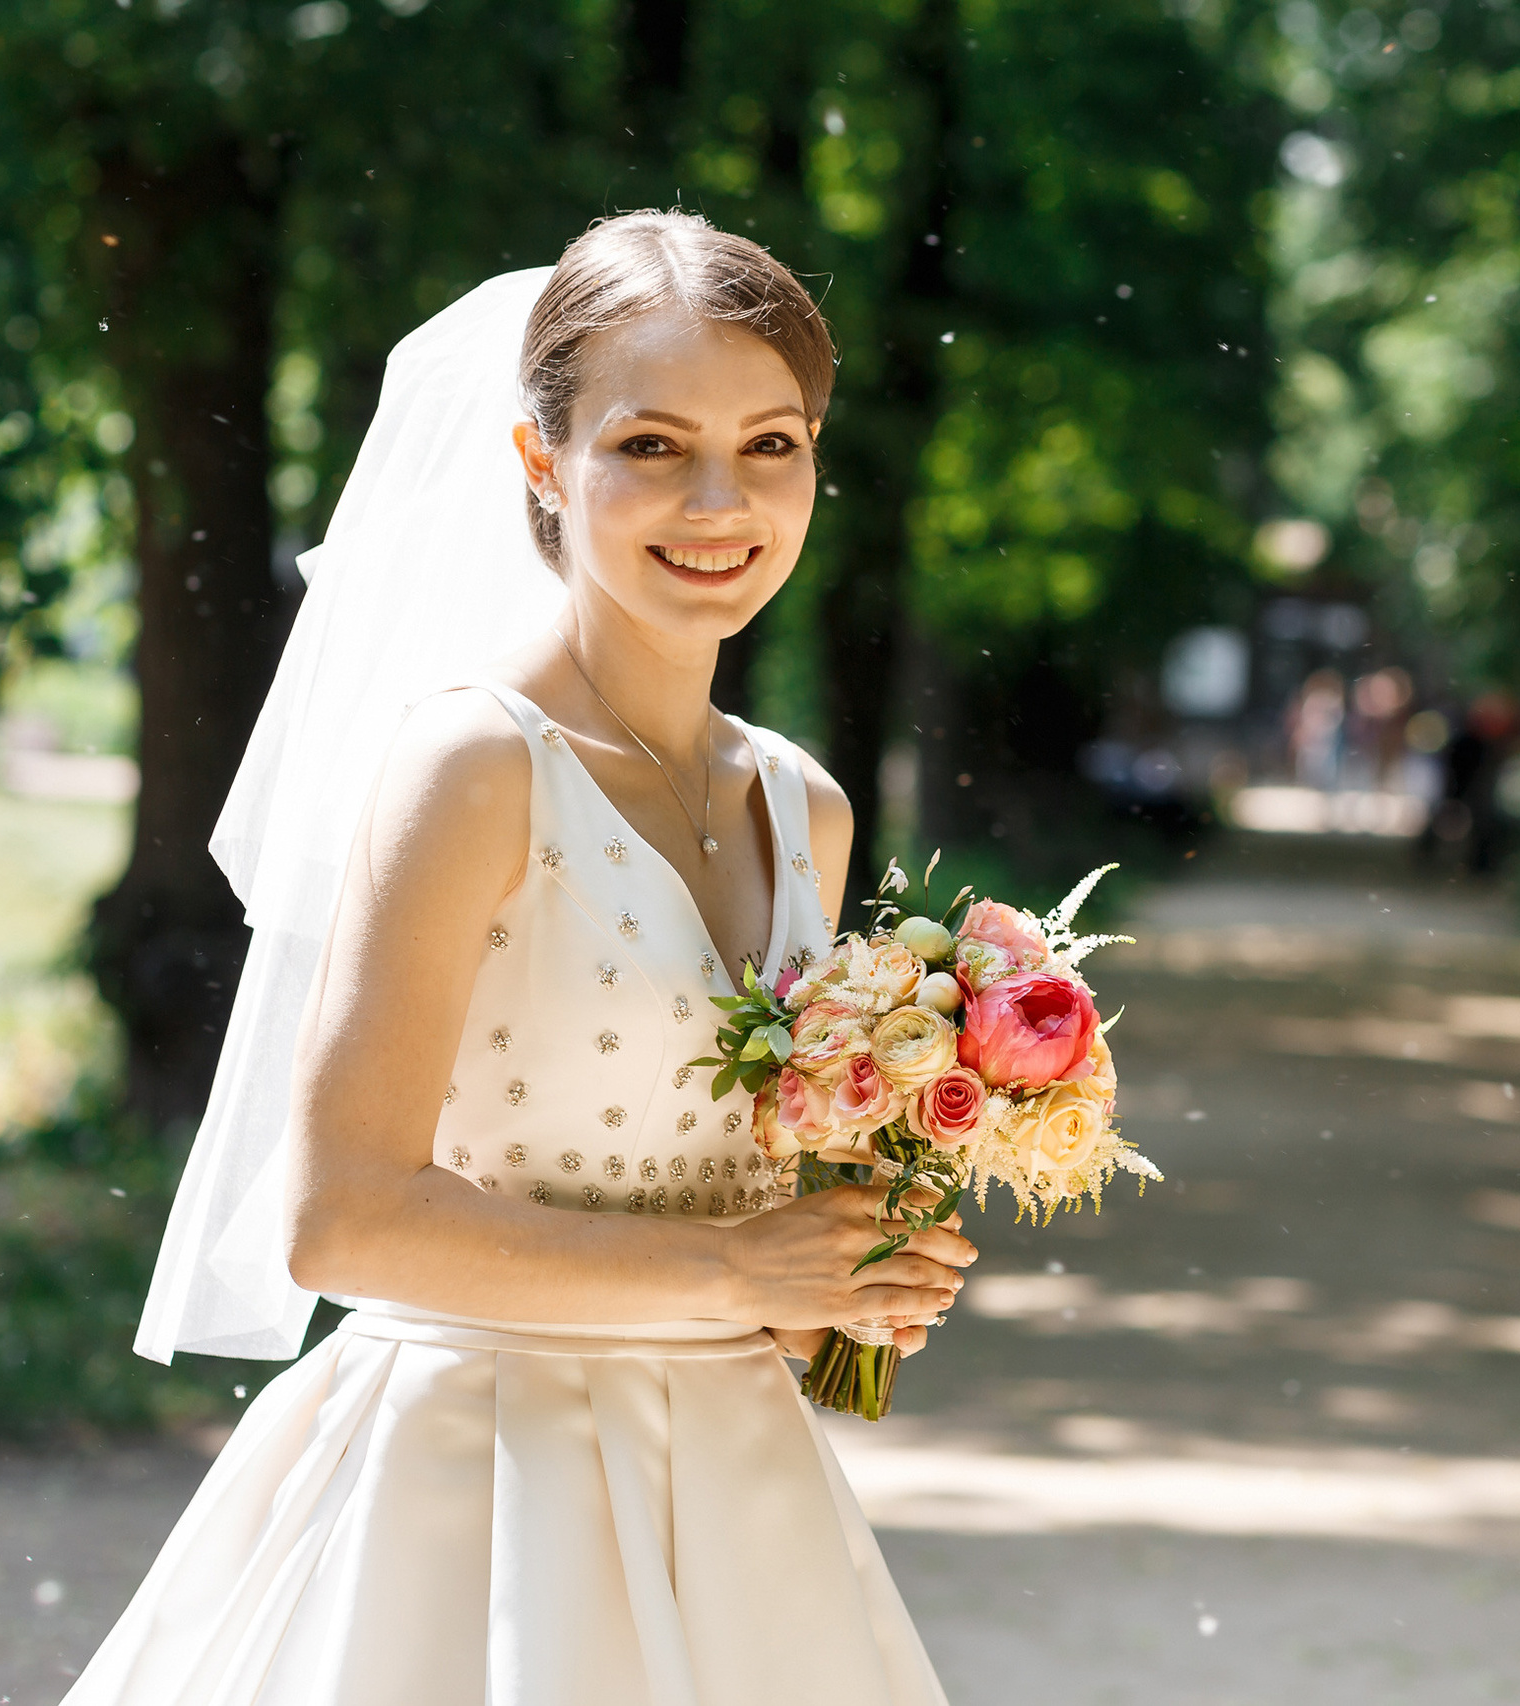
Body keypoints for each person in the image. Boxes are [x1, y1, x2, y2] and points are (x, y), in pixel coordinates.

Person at [64, 214, 963, 1704]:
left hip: (739, 1506)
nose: (721, 500)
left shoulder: (805, 806)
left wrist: (844, 1286)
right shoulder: (473, 766)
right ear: (543, 461)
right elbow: (340, 1220)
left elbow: (742, 1217)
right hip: (474, 1491)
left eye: (771, 443)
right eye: (652, 445)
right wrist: (735, 1266)